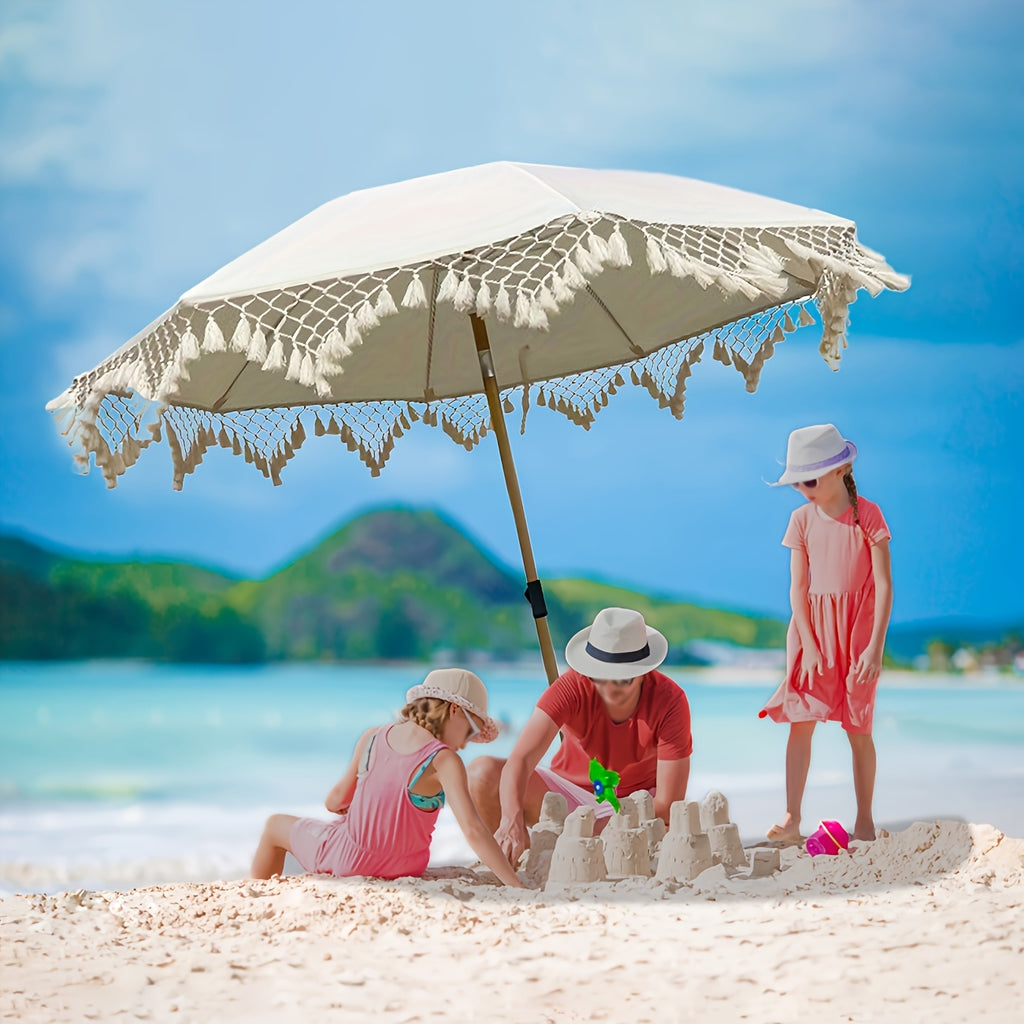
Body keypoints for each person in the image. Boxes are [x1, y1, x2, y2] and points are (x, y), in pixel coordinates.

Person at [251, 668, 524, 888]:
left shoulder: (372, 738)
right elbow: (473, 830)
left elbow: (333, 802)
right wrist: (515, 885)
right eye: (470, 731)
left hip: (350, 860)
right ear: (454, 710)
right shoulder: (444, 761)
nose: (466, 744)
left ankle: (257, 897)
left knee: (274, 825)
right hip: (406, 867)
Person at [469, 607, 692, 867]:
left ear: (643, 670)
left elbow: (668, 803)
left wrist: (586, 829)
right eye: (601, 676)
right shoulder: (570, 687)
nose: (610, 688)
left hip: (636, 807)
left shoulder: (670, 700)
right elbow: (520, 760)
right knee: (481, 772)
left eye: (622, 679)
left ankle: (562, 849)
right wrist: (511, 820)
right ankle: (517, 860)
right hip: (568, 798)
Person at [759, 423, 893, 845]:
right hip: (809, 631)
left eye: (810, 479)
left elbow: (884, 585)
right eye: (797, 481)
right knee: (800, 723)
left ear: (841, 469)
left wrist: (874, 649)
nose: (803, 488)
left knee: (858, 728)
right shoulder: (800, 519)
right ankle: (792, 816)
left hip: (857, 633)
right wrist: (810, 646)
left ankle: (865, 820)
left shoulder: (867, 515)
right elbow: (797, 590)